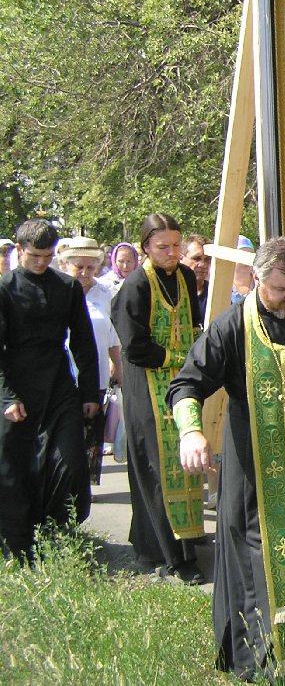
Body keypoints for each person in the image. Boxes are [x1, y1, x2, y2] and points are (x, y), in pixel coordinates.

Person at [167, 238, 285, 681]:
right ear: (256, 279)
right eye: (282, 289)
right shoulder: (232, 326)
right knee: (261, 561)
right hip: (254, 468)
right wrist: (191, 431)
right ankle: (267, 660)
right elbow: (186, 385)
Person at [110, 213, 206, 583]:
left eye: (176, 245)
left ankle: (186, 540)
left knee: (185, 465)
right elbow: (134, 347)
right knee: (157, 468)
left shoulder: (185, 277)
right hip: (146, 387)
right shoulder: (136, 285)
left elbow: (193, 323)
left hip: (179, 384)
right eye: (163, 246)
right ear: (146, 247)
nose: (172, 252)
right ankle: (169, 555)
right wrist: (180, 357)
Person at [0, 220, 100, 559]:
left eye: (47, 256)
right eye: (34, 256)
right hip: (16, 386)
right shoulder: (5, 289)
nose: (41, 263)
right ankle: (17, 544)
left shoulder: (67, 287)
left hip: (58, 385)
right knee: (16, 468)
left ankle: (58, 532)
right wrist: (7, 396)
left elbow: (83, 341)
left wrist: (89, 392)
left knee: (71, 463)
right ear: (19, 251)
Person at [60, 237, 122, 483]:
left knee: (91, 434)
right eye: (79, 267)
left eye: (90, 267)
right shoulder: (58, 292)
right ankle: (63, 485)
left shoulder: (105, 294)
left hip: (96, 374)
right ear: (66, 265)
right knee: (66, 434)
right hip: (62, 374)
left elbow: (113, 334)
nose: (85, 273)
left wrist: (117, 366)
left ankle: (83, 487)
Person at [180, 233, 211, 320]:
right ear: (180, 258)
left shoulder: (216, 295)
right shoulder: (169, 292)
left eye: (207, 259)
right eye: (196, 259)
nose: (203, 264)